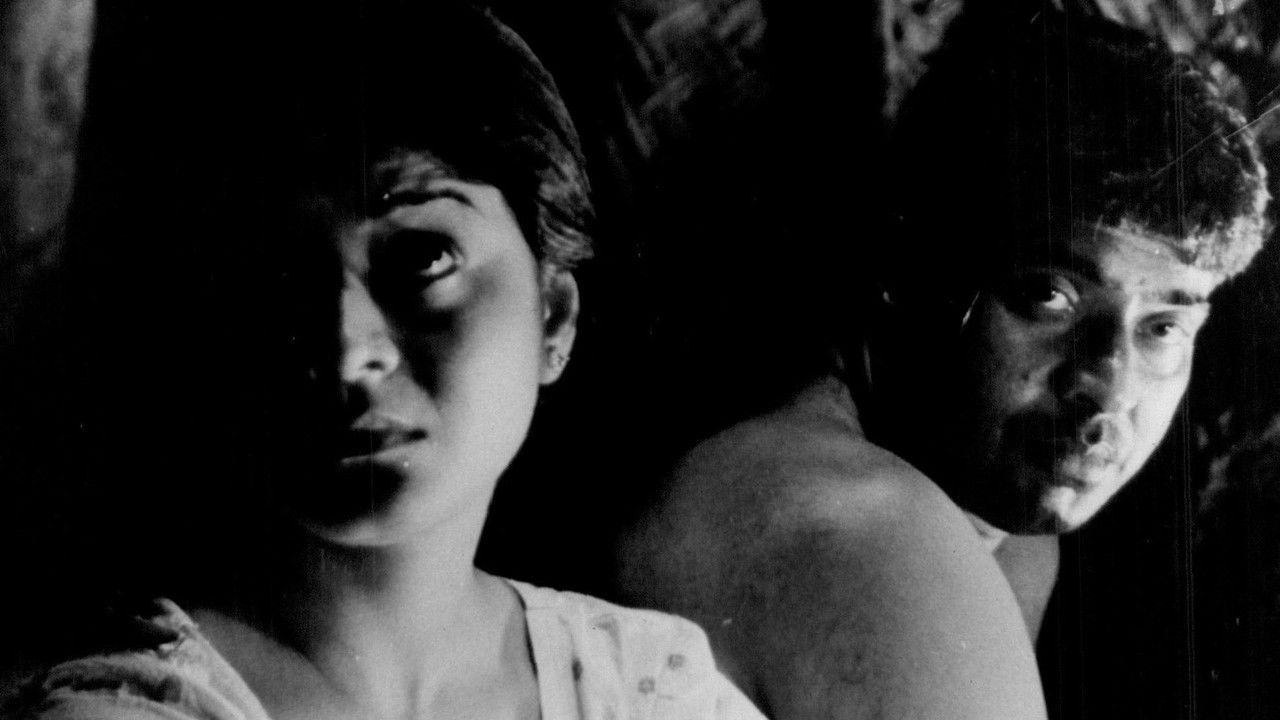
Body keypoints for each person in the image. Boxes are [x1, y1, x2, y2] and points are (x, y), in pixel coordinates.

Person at [0, 4, 765, 719]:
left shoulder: (649, 686)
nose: (348, 351)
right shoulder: (129, 704)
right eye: (279, 279)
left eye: (423, 258)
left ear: (554, 315)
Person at [616, 8, 1272, 720]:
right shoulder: (869, 532)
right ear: (912, 270)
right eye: (1049, 296)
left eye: (1163, 328)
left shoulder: (995, 526)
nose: (1108, 384)